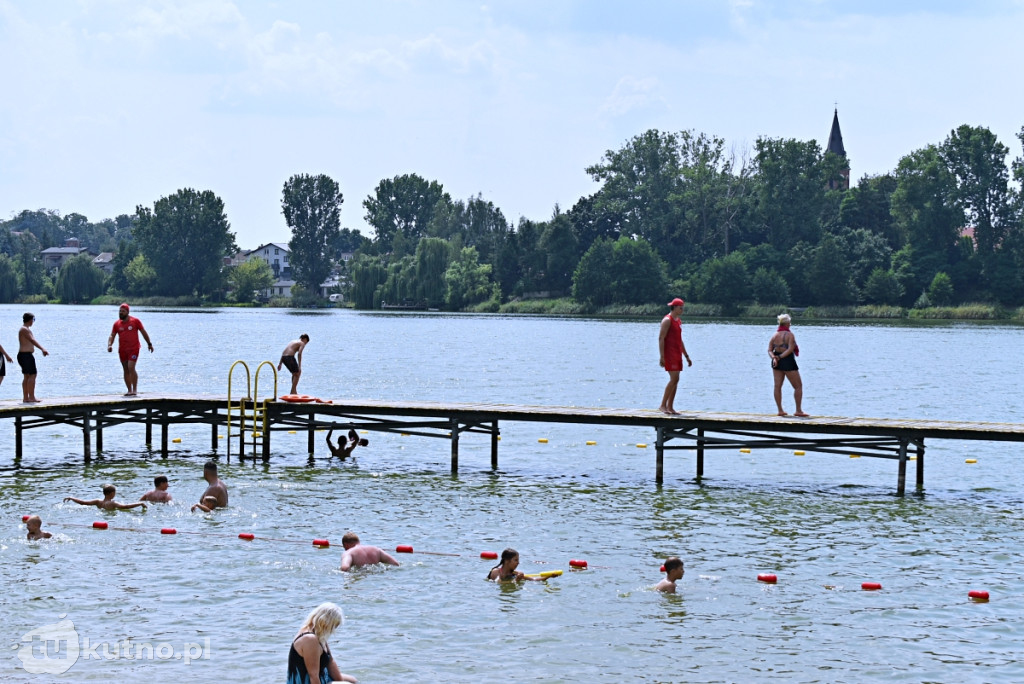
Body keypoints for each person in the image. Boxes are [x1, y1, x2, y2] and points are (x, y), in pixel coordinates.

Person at [287, 602, 358, 684]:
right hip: (306, 682)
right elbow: (313, 675)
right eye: (334, 626)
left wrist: (340, 681)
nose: (334, 630)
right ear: (325, 622)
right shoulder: (310, 639)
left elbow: (330, 662)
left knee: (353, 680)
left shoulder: (319, 635)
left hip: (323, 677)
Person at [107, 303, 154, 396]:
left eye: (123, 311)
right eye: (120, 311)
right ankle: (129, 390)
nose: (121, 313)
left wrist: (149, 344)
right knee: (125, 369)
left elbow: (143, 332)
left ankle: (135, 390)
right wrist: (109, 345)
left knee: (131, 367)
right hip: (122, 350)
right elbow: (112, 335)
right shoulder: (116, 324)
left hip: (134, 348)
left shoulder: (135, 321)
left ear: (127, 312)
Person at [769, 313, 809, 417]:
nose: (790, 325)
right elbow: (790, 349)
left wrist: (774, 357)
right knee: (798, 386)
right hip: (786, 359)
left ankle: (780, 410)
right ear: (786, 323)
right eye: (790, 323)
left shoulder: (774, 335)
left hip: (776, 361)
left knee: (777, 386)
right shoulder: (789, 335)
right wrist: (780, 357)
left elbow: (769, 350)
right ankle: (798, 410)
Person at [658, 298, 692, 415]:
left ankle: (670, 407)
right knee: (674, 379)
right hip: (669, 353)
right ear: (675, 307)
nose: (682, 309)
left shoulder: (678, 321)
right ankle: (662, 405)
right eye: (680, 307)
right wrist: (662, 356)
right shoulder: (667, 320)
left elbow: (679, 340)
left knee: (676, 380)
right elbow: (661, 338)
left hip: (677, 352)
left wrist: (686, 356)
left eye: (683, 307)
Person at [18, 312, 48, 403]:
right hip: (26, 355)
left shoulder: (25, 329)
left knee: (27, 376)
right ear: (30, 320)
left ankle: (26, 398)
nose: (33, 322)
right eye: (33, 320)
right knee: (32, 375)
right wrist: (42, 348)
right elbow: (32, 340)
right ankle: (31, 397)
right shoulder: (24, 329)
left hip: (24, 355)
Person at [64, 484, 147, 511]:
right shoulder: (113, 503)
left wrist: (72, 498)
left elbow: (83, 502)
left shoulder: (97, 502)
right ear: (112, 493)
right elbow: (126, 507)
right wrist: (140, 504)